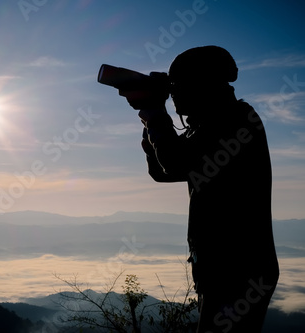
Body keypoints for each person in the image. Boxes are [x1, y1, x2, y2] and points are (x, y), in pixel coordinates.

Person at [119, 45, 279, 332]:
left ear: (202, 84)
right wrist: (148, 118)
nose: (174, 93)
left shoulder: (235, 120)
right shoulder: (209, 126)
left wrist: (155, 113)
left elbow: (174, 163)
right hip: (221, 270)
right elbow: (162, 172)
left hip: (239, 272)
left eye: (178, 85)